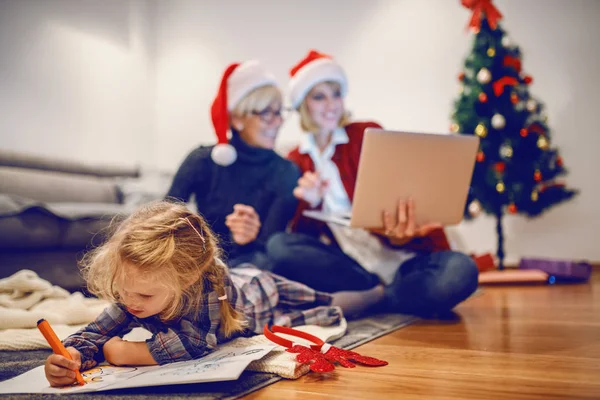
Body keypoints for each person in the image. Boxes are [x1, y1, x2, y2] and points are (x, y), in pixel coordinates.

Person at [44, 200, 388, 387]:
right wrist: (73, 355)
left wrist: (121, 352)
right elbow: (95, 334)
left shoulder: (207, 290)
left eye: (144, 298)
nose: (130, 304)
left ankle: (378, 291)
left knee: (328, 304)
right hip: (244, 285)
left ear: (188, 277)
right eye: (124, 292)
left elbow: (195, 344)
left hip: (262, 294)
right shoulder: (137, 290)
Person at [267, 50, 479, 317]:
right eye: (319, 96)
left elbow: (397, 191)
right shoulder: (296, 160)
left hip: (402, 257)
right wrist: (309, 203)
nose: (331, 104)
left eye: (336, 94)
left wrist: (401, 232)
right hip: (351, 268)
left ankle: (378, 299)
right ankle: (388, 295)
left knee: (462, 271)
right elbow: (304, 239)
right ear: (302, 104)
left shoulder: (364, 134)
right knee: (279, 246)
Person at [166, 60, 299, 269]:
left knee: (271, 257)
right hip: (201, 258)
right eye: (266, 113)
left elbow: (271, 245)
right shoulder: (203, 161)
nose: (278, 121)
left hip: (253, 264)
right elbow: (164, 216)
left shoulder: (287, 172)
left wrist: (249, 237)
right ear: (237, 119)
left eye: (279, 111)